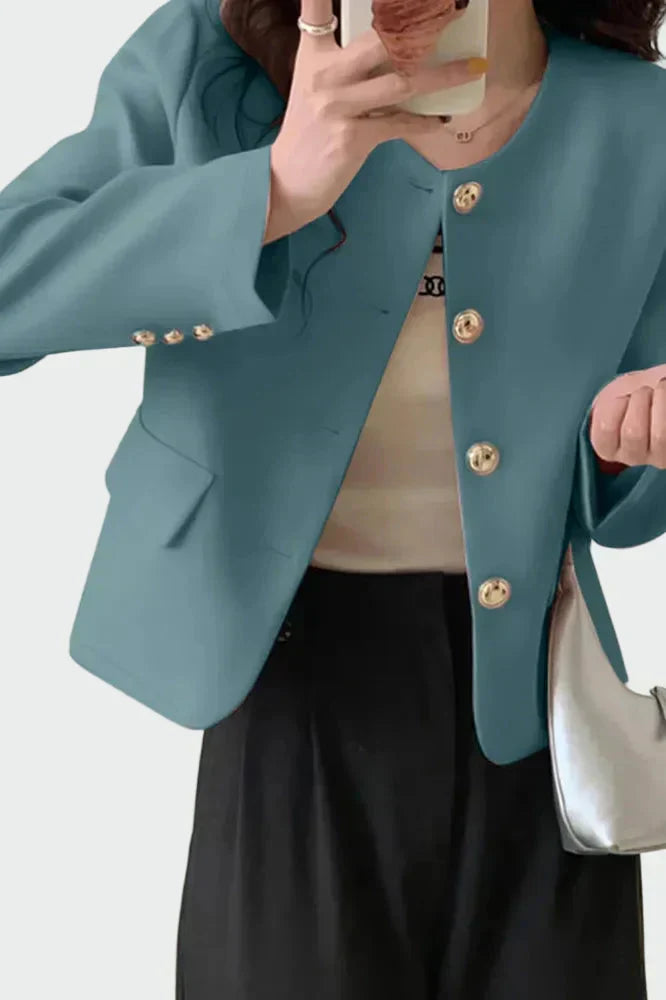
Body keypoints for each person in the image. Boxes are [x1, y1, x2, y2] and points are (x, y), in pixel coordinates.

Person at [2, 0, 666, 997]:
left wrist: (628, 449)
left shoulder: (638, 123)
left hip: (538, 707)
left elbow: (625, 498)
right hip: (286, 681)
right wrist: (271, 188)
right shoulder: (211, 64)